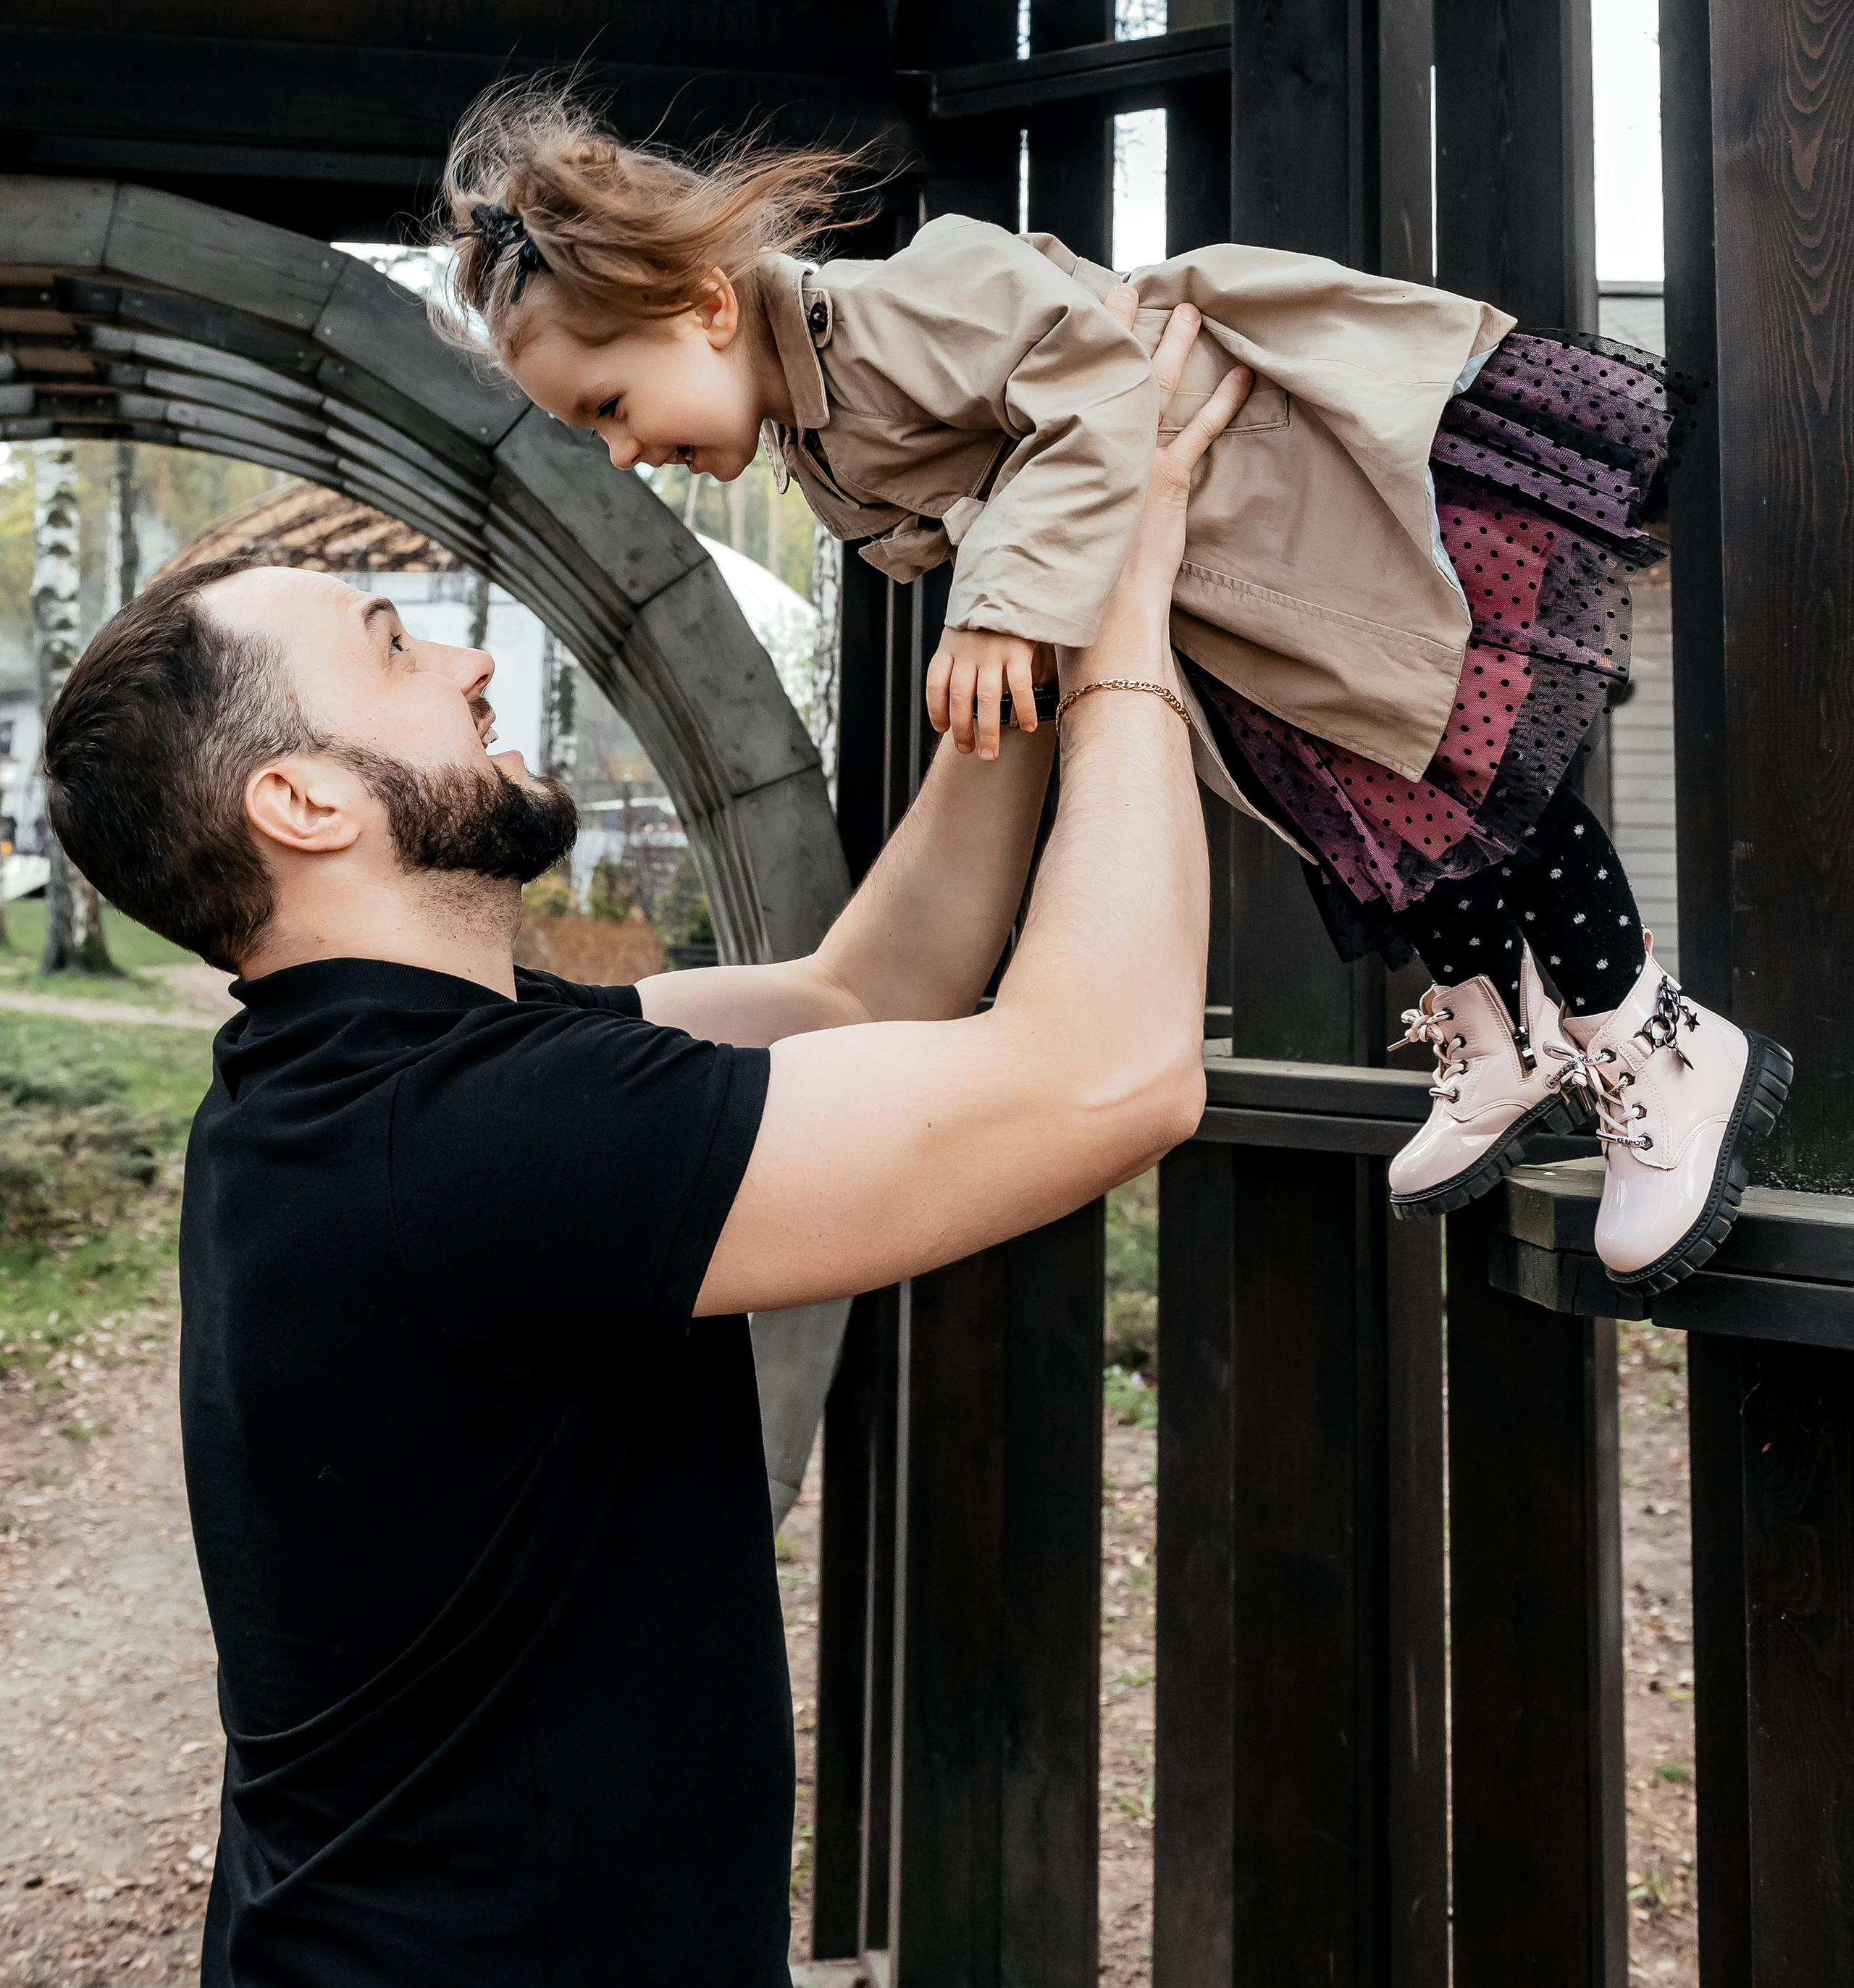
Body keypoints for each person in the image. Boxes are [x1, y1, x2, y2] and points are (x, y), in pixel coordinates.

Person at [38, 298, 1233, 1988]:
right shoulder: (465, 1143)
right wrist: (1125, 628)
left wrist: (1018, 609)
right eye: (392, 647)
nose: (463, 658)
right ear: (304, 804)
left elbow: (862, 988)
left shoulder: (376, 1080)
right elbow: (1110, 1077)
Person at [434, 83, 1791, 1296]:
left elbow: (1090, 387)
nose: (620, 453)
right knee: (1371, 810)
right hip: (1210, 582)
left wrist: (1001, 607)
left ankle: (1654, 1032)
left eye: (612, 404)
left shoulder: (902, 302)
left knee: (1452, 761)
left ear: (710, 306)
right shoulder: (811, 420)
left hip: (1277, 499)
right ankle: (1505, 1021)